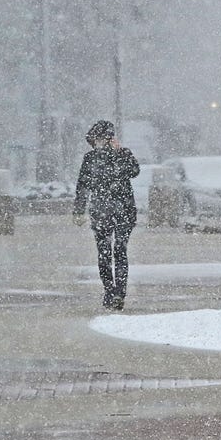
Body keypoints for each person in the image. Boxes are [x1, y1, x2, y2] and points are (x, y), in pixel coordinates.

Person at [73, 120, 140, 311]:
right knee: (104, 254)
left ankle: (119, 292)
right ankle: (109, 290)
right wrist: (78, 210)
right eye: (96, 140)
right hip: (101, 212)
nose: (99, 143)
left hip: (123, 212)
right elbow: (82, 186)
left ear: (110, 139)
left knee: (119, 251)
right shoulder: (90, 159)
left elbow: (134, 171)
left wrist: (121, 154)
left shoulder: (122, 154)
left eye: (102, 139)